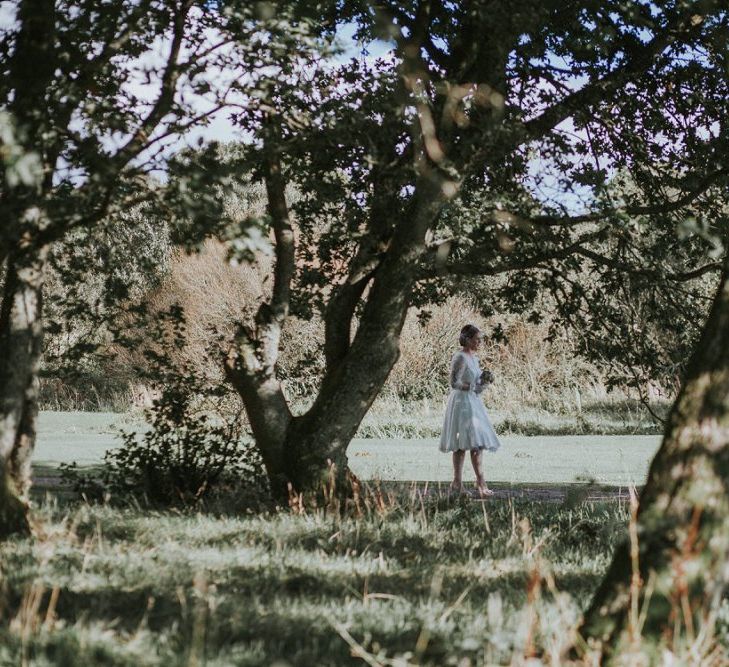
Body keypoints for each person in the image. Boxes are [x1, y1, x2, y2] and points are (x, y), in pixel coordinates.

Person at [439, 324, 501, 496]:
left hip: (473, 402)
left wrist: (484, 383)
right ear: (467, 339)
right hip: (461, 402)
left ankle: (480, 483)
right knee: (462, 445)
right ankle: (458, 483)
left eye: (480, 339)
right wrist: (472, 386)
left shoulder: (474, 358)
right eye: (476, 339)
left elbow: (476, 384)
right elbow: (454, 382)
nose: (479, 342)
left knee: (477, 443)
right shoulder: (459, 357)